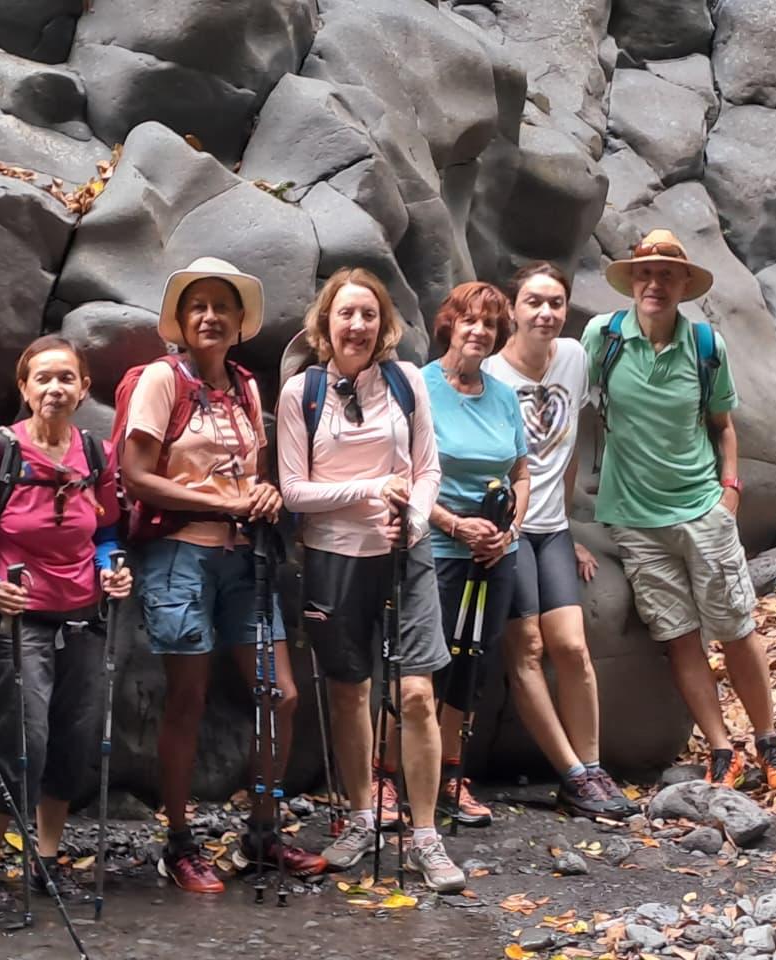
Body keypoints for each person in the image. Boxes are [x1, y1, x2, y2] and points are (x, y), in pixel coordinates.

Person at [120, 257, 326, 894]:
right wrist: (220, 502)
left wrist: (262, 495)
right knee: (188, 698)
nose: (209, 317)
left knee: (280, 694)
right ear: (182, 321)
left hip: (243, 557)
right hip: (178, 556)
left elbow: (252, 475)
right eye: (197, 306)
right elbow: (135, 476)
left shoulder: (245, 387)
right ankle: (179, 843)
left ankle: (262, 831)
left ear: (239, 322)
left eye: (222, 307)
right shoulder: (163, 380)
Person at [580, 230, 776, 791]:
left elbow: (722, 426)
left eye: (666, 275)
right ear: (632, 281)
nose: (654, 284)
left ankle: (769, 742)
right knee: (680, 636)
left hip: (702, 509)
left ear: (683, 284)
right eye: (645, 273)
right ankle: (722, 750)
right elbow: (562, 402)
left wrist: (730, 489)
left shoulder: (705, 346)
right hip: (635, 522)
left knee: (736, 628)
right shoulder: (603, 338)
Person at [277, 267, 466, 893]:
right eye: (345, 314)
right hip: (333, 558)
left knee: (416, 695)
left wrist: (413, 518)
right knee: (349, 692)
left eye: (368, 314)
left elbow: (428, 469)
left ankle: (426, 835)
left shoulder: (406, 381)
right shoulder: (301, 392)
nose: (357, 325)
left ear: (384, 324)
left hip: (405, 553)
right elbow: (294, 491)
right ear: (325, 323)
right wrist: (372, 488)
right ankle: (361, 818)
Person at [0, 335, 134, 898]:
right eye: (43, 378)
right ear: (25, 387)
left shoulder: (96, 455)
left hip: (84, 615)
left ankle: (45, 857)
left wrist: (112, 570)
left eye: (66, 378)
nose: (55, 388)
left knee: (72, 740)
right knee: (23, 740)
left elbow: (106, 533)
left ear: (84, 388)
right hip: (17, 620)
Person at [483, 263, 639, 819]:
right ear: (512, 310)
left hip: (551, 529)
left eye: (555, 303)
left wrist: (569, 528)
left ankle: (591, 768)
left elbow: (567, 450)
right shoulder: (491, 375)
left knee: (571, 647)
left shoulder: (573, 358)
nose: (545, 313)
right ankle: (570, 772)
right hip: (510, 531)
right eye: (533, 302)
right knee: (526, 647)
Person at [421, 282, 529, 829]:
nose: (479, 331)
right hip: (436, 548)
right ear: (450, 323)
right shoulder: (419, 388)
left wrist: (508, 531)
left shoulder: (504, 396)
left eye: (489, 323)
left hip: (492, 554)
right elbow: (403, 473)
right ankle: (388, 776)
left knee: (471, 667)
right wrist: (454, 524)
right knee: (421, 666)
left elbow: (521, 473)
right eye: (470, 320)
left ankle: (450, 776)